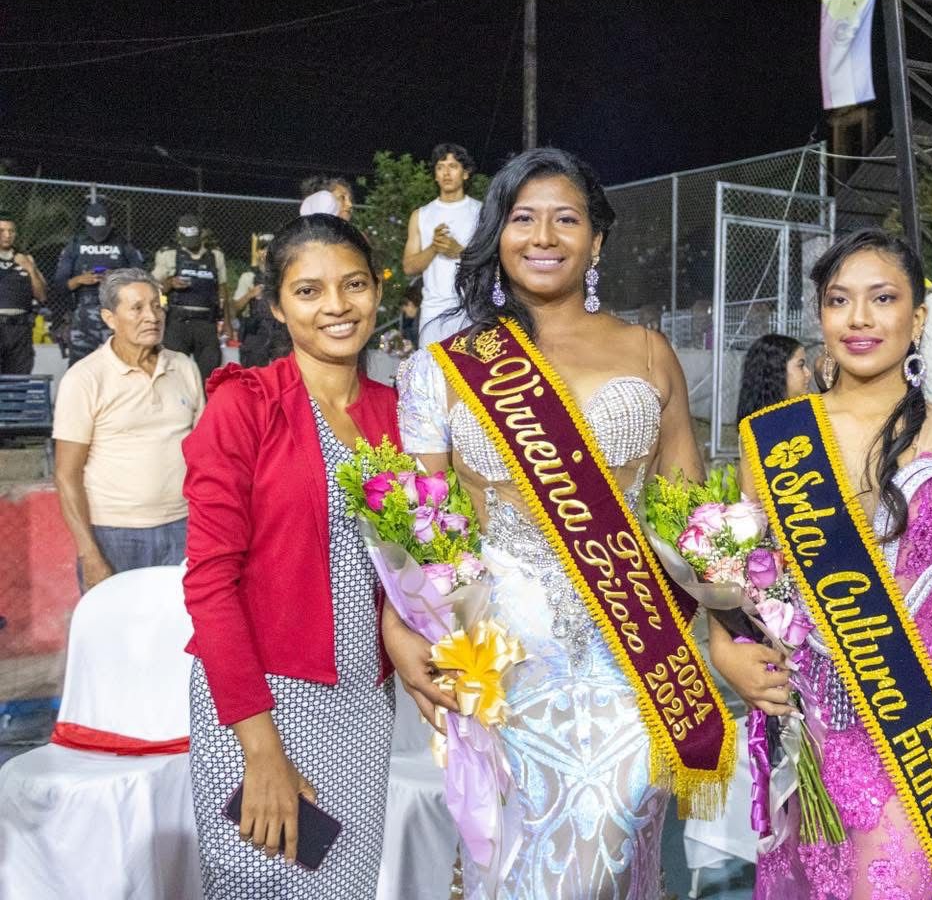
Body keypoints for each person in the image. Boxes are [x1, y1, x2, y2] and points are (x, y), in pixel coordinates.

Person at [392, 147, 727, 899]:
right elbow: (422, 528)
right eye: (523, 219)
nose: (543, 237)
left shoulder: (649, 352)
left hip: (632, 649)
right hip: (505, 656)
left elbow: (689, 514)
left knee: (615, 841)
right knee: (513, 861)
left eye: (566, 220)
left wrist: (736, 614)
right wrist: (404, 626)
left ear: (596, 240)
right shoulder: (445, 367)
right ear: (498, 234)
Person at [716, 228, 932, 898]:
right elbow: (740, 574)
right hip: (808, 713)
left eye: (882, 298)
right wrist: (728, 652)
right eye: (838, 300)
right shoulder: (774, 438)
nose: (858, 318)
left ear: (918, 317)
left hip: (917, 707)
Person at [182, 213, 398, 896]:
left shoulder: (398, 413)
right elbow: (209, 585)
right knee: (263, 883)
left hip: (365, 708)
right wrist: (262, 752)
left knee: (345, 887)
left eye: (354, 284)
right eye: (308, 291)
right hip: (263, 706)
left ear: (377, 291)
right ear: (276, 305)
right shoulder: (245, 406)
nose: (337, 306)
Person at [53, 269, 202, 590]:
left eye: (157, 306)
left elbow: (205, 455)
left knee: (178, 622)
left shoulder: (184, 368)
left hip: (184, 527)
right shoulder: (85, 378)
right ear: (109, 318)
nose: (152, 316)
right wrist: (89, 554)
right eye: (137, 308)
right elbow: (66, 475)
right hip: (114, 535)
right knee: (115, 623)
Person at [402, 143, 483, 347]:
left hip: (471, 310)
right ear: (435, 175)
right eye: (440, 167)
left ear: (466, 173)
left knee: (468, 367)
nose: (446, 173)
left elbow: (494, 263)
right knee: (432, 367)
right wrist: (433, 248)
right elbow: (409, 267)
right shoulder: (421, 215)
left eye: (453, 166)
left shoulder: (482, 212)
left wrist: (460, 252)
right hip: (433, 312)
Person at [52, 202, 145, 364]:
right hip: (82, 318)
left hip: (118, 314)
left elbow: (143, 281)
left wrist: (115, 278)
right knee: (79, 369)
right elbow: (59, 286)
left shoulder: (123, 244)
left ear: (111, 223)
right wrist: (80, 279)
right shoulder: (75, 245)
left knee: (122, 367)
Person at [153, 214, 229, 380]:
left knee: (210, 376)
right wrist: (170, 283)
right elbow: (154, 289)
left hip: (206, 323)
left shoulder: (215, 256)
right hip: (178, 321)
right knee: (176, 376)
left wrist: (227, 323)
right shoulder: (168, 254)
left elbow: (222, 290)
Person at [0, 214, 45, 374]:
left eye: (11, 231)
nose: (7, 235)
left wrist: (30, 268)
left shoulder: (25, 258)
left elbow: (41, 296)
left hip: (21, 329)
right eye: (2, 231)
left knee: (19, 380)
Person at [734, 332, 810, 423]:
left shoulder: (805, 414)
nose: (808, 373)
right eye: (800, 365)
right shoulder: (758, 427)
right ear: (777, 371)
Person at [235, 232, 277, 368]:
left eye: (270, 249)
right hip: (256, 333)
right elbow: (235, 308)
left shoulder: (285, 278)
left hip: (280, 333)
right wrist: (249, 295)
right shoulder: (248, 277)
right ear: (258, 252)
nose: (266, 253)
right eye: (263, 248)